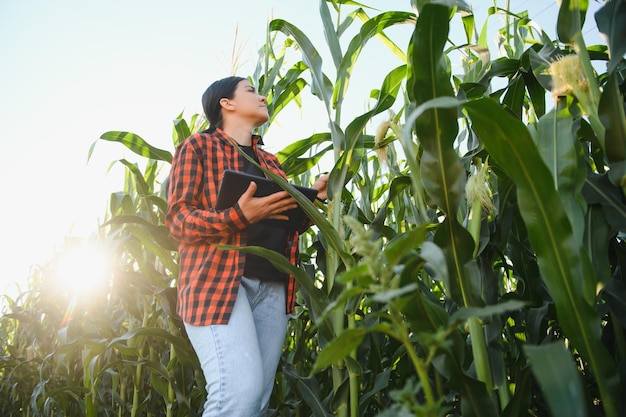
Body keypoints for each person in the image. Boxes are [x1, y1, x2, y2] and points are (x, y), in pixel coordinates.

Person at [166, 75, 328, 417]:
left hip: (272, 287)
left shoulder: (270, 163)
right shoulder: (197, 147)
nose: (264, 96)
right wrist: (237, 215)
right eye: (252, 91)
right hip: (218, 284)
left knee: (254, 404)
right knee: (238, 396)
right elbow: (178, 220)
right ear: (226, 103)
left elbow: (286, 226)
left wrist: (313, 202)